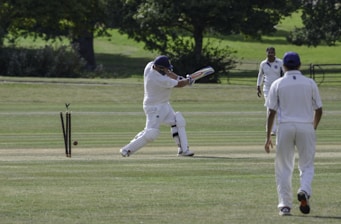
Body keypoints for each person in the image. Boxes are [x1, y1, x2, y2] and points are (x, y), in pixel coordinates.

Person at [264, 52, 323, 216]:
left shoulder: (278, 83)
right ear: (299, 65)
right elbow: (319, 109)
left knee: (284, 167)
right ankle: (304, 190)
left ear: (283, 66)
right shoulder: (310, 83)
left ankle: (285, 206)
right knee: (307, 165)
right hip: (306, 126)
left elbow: (271, 112)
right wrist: (313, 127)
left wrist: (268, 137)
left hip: (285, 127)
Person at [120, 55, 195, 157]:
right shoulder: (159, 79)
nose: (168, 71)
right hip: (154, 108)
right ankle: (127, 149)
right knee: (151, 133)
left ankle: (184, 150)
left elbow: (170, 74)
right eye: (166, 68)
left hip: (163, 104)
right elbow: (179, 85)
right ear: (160, 68)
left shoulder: (149, 66)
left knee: (178, 121)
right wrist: (187, 81)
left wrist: (180, 78)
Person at [257, 47, 284, 136]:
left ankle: (281, 128)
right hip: (267, 88)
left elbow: (285, 73)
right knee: (270, 107)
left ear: (275, 53)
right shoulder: (263, 63)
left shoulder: (280, 62)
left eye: (272, 52)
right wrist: (258, 86)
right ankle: (272, 130)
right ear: (266, 53)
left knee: (279, 108)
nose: (271, 54)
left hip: (278, 87)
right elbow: (260, 75)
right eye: (269, 52)